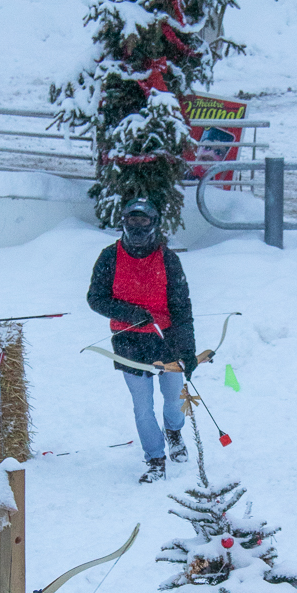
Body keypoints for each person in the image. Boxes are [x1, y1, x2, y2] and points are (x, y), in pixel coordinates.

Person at [86, 197, 197, 482]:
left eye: (143, 221)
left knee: (173, 400)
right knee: (142, 405)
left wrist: (189, 351)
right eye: (132, 221)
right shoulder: (109, 257)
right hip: (128, 342)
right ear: (123, 223)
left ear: (154, 224)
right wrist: (129, 312)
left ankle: (173, 431)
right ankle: (155, 459)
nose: (137, 227)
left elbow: (182, 308)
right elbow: (95, 298)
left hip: (166, 339)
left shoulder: (168, 260)